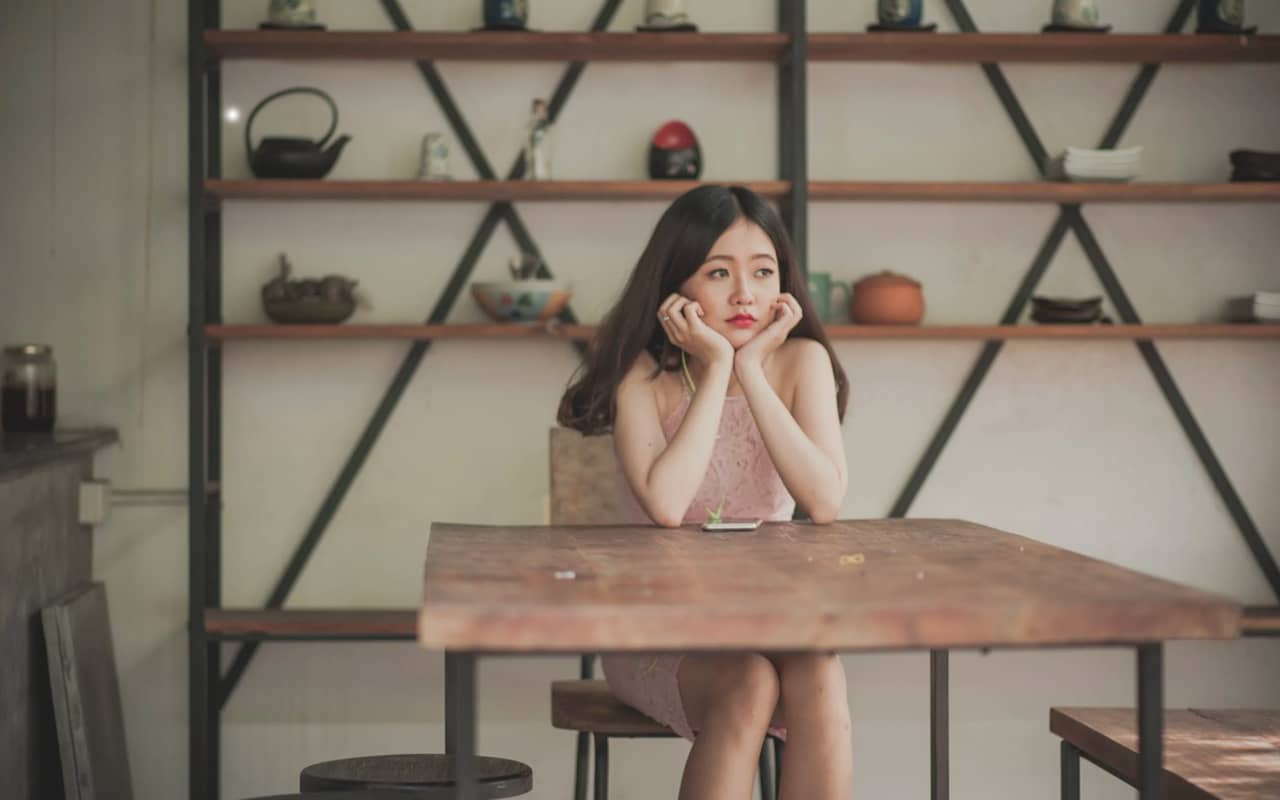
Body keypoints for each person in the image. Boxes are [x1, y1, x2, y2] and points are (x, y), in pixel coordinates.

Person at [558, 185, 852, 799]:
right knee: (747, 683)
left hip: (767, 615)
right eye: (719, 272)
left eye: (763, 272)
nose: (746, 294)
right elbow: (666, 507)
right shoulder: (643, 374)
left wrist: (752, 371)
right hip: (658, 629)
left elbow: (825, 501)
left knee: (819, 668)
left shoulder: (803, 364)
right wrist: (718, 369)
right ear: (677, 287)